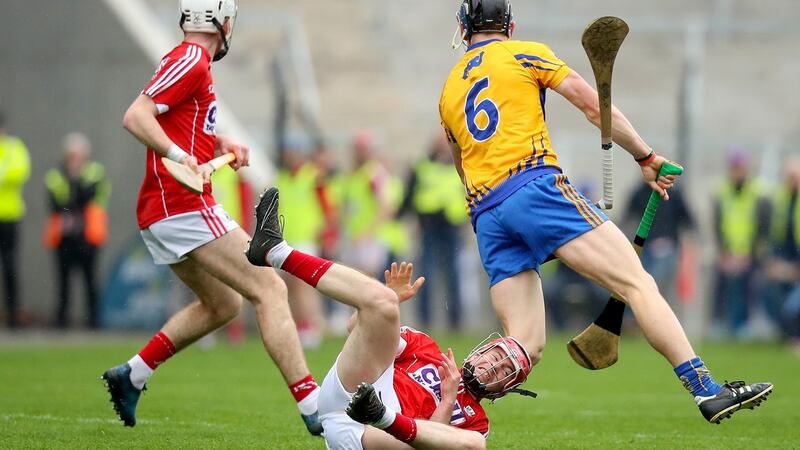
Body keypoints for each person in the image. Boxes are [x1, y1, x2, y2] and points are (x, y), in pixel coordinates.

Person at [438, 0, 771, 423]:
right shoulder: (525, 53)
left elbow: (462, 167)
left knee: (525, 345)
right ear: (510, 24)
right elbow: (594, 107)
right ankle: (706, 389)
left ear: (464, 28)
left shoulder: (448, 90)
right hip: (534, 187)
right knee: (637, 283)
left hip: (486, 213)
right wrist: (646, 156)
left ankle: (445, 405)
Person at [100, 0, 321, 434]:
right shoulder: (192, 59)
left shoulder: (189, 62)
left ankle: (133, 374)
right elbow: (137, 116)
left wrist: (217, 143)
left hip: (163, 210)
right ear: (223, 21)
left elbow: (178, 120)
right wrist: (181, 156)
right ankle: (315, 407)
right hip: (181, 205)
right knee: (270, 287)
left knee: (223, 304)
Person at [246, 187, 533, 450]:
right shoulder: (426, 348)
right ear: (482, 350)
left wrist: (447, 399)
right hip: (352, 395)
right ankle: (275, 251)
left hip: (376, 438)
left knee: (475, 445)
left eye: (503, 372)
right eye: (496, 359)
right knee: (383, 300)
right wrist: (386, 301)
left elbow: (428, 445)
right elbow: (355, 329)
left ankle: (380, 415)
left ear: (501, 392)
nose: (493, 368)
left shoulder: (477, 422)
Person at [399, 133, 467, 330]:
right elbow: (409, 195)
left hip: (452, 227)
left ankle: (455, 321)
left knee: (454, 275)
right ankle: (426, 320)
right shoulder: (422, 166)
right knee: (426, 274)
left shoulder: (459, 165)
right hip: (429, 227)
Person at [43, 132, 110, 328]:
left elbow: (88, 197)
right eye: (71, 156)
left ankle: (94, 321)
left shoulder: (95, 172)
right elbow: (55, 204)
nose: (75, 160)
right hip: (64, 236)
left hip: (88, 235)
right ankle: (62, 321)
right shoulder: (56, 175)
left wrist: (75, 182)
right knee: (63, 281)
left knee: (90, 279)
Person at [712, 150, 770, 337]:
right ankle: (722, 324)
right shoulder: (722, 192)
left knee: (748, 285)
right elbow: (718, 226)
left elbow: (762, 228)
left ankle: (744, 324)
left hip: (750, 254)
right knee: (723, 284)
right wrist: (724, 253)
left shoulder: (758, 193)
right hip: (729, 253)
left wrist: (750, 254)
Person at [763, 157, 800, 342]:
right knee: (766, 287)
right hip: (788, 261)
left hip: (796, 264)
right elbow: (778, 234)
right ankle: (785, 334)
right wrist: (775, 260)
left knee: (792, 307)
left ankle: (794, 337)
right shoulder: (782, 199)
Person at [0, 112, 31, 328]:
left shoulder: (13, 147)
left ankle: (13, 315)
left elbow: (20, 172)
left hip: (10, 216)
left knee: (10, 266)